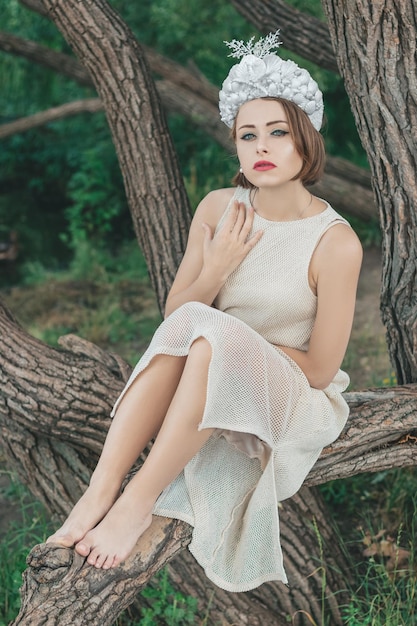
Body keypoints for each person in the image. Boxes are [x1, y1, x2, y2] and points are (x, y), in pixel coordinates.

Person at [47, 31, 363, 592]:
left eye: (277, 132)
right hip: (203, 362)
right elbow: (176, 315)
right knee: (199, 327)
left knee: (212, 334)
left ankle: (133, 505)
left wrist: (232, 343)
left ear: (305, 141)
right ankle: (101, 490)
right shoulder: (220, 207)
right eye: (247, 135)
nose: (261, 146)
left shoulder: (335, 243)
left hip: (292, 392)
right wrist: (216, 266)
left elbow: (318, 370)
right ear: (235, 145)